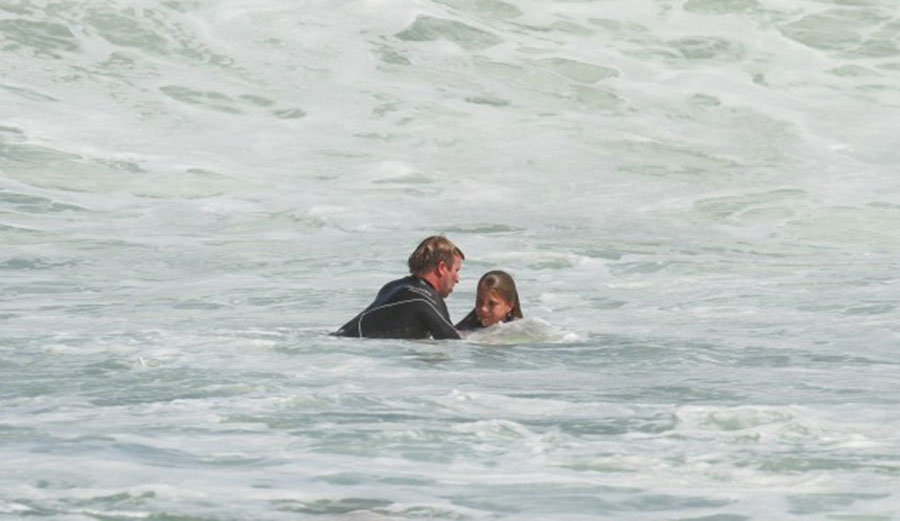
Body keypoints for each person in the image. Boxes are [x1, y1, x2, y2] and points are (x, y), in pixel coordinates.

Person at [334, 236, 464, 339]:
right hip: (351, 354)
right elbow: (452, 342)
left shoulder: (393, 287)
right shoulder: (426, 300)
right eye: (456, 270)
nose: (457, 278)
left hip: (339, 341)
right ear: (441, 268)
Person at [455, 270, 523, 331]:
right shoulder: (464, 332)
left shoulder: (520, 330)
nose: (483, 309)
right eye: (480, 302)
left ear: (510, 305)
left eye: (492, 303)